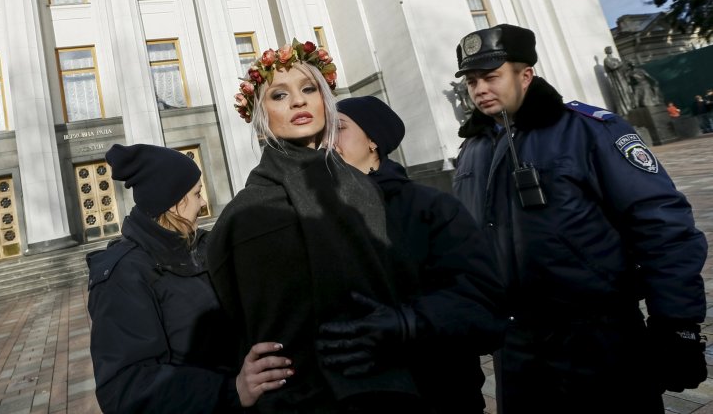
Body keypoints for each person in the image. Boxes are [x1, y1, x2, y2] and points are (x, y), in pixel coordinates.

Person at [452, 24, 707, 414]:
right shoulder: (473, 149)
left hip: (598, 336)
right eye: (471, 81)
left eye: (490, 77)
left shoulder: (588, 130)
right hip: (516, 344)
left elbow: (660, 223)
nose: (479, 89)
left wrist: (678, 325)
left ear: (525, 75)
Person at [210, 39, 425, 413]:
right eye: (279, 95)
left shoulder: (363, 188)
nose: (298, 101)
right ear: (260, 118)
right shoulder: (245, 213)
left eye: (309, 89)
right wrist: (237, 379)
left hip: (385, 388)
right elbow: (226, 317)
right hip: (297, 399)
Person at [326, 95, 504, 413]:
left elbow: (483, 310)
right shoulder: (320, 219)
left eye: (338, 128)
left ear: (373, 141)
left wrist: (410, 321)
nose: (327, 140)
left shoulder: (433, 208)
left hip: (439, 394)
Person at [87, 143, 293, 413]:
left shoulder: (202, 247)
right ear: (173, 202)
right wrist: (231, 390)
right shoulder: (124, 275)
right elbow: (125, 389)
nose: (204, 203)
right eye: (197, 194)